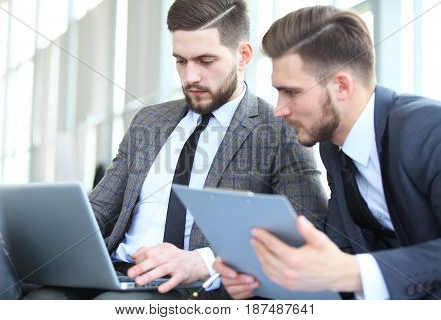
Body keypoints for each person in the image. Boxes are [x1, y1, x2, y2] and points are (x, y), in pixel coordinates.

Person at [26, 0, 327, 300]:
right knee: (40, 298)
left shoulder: (280, 129)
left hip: (190, 289)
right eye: (181, 61)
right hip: (116, 270)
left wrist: (204, 261)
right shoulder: (150, 121)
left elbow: (308, 228)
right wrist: (30, 231)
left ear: (243, 56)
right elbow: (101, 209)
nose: (190, 77)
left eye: (205, 61)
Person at [215, 5, 441, 300]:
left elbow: (348, 268)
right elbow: (339, 252)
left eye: (292, 92)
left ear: (342, 86)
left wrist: (353, 272)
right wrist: (264, 276)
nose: (279, 110)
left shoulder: (429, 131)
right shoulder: (332, 146)